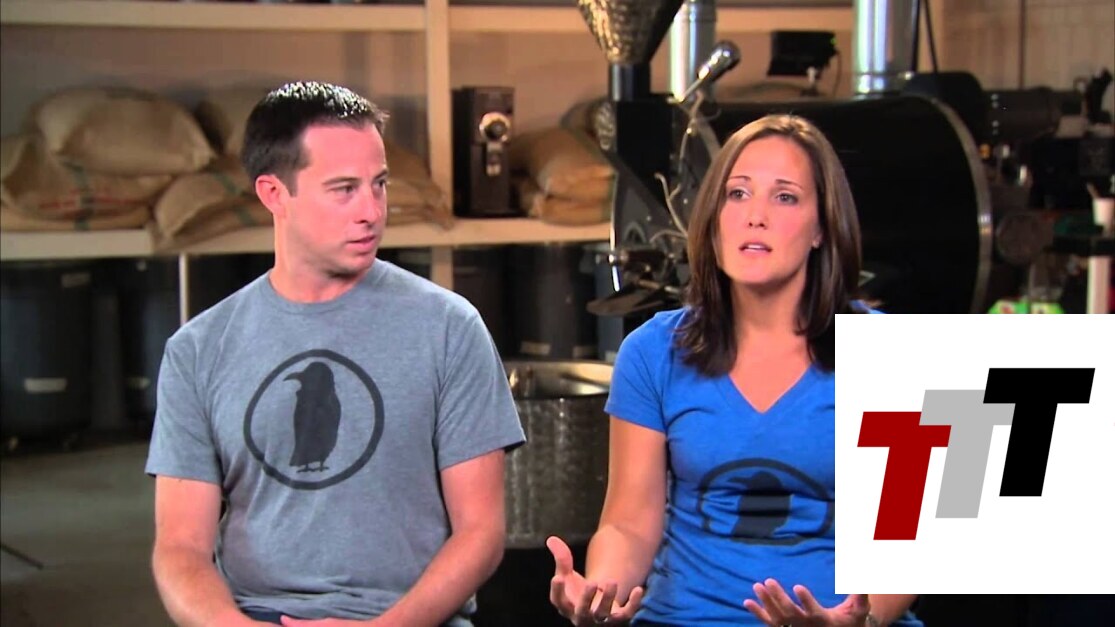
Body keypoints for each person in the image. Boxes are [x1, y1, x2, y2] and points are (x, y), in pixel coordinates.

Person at [146, 81, 525, 627]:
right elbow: (181, 548)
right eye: (344, 189)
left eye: (379, 184)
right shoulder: (199, 350)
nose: (371, 211)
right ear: (274, 194)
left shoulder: (449, 328)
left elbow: (481, 532)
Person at [546, 114, 920, 626]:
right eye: (737, 194)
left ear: (821, 228)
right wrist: (602, 594)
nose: (755, 216)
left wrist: (857, 621)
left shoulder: (893, 355)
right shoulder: (653, 352)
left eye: (784, 197)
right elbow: (629, 524)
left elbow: (903, 546)